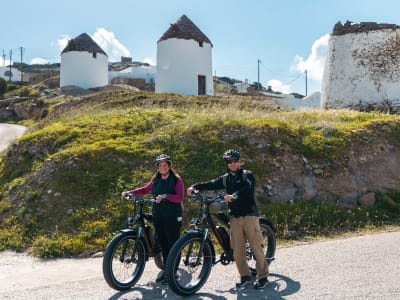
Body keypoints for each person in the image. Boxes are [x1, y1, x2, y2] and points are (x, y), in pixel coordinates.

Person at [187, 149, 269, 289]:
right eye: (229, 162)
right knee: (237, 250)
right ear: (226, 163)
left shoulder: (247, 175)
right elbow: (211, 184)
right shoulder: (225, 179)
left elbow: (247, 189)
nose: (232, 164)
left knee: (256, 247)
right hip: (235, 217)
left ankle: (263, 277)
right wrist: (194, 187)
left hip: (249, 215)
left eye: (235, 161)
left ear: (239, 162)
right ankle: (245, 276)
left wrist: (234, 196)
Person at [122, 154, 184, 284]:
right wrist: (130, 192)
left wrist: (166, 196)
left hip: (172, 215)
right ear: (157, 167)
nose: (162, 167)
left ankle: (172, 273)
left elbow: (179, 197)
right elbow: (145, 189)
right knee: (163, 244)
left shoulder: (176, 180)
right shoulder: (156, 179)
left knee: (173, 244)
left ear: (169, 166)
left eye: (165, 165)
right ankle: (167, 271)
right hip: (159, 215)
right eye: (160, 165)